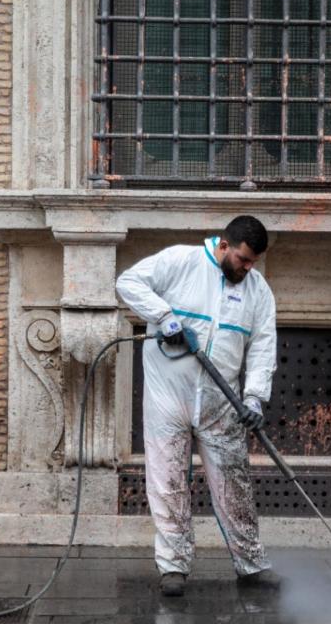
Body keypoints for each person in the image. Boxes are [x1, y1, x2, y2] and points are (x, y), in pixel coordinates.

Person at [116, 215, 281, 597]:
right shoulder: (181, 262)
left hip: (222, 402)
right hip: (168, 395)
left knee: (234, 483)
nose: (247, 267)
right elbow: (128, 281)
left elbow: (262, 346)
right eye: (242, 259)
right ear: (224, 246)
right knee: (168, 479)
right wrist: (165, 317)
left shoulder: (257, 290)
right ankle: (173, 567)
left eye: (253, 262)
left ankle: (251, 564)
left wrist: (255, 396)